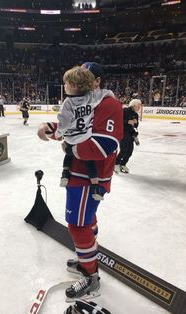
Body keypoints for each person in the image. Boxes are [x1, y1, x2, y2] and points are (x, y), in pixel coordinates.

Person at [37, 62, 123, 301]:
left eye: (87, 78)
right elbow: (73, 129)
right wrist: (51, 128)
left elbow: (103, 144)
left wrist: (69, 147)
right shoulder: (87, 101)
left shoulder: (109, 104)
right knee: (87, 219)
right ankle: (89, 257)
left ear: (97, 81)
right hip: (78, 173)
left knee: (77, 224)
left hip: (90, 177)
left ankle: (90, 277)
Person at [56, 66, 114, 201]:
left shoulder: (68, 103)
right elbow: (106, 93)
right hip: (86, 139)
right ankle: (95, 187)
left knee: (68, 154)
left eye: (66, 83)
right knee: (89, 164)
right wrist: (111, 96)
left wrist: (59, 134)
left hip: (71, 139)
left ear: (74, 85)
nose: (64, 86)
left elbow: (63, 122)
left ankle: (65, 174)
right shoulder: (91, 96)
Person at [114, 98, 141, 174]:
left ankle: (123, 164)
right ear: (133, 105)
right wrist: (128, 121)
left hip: (130, 134)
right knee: (124, 149)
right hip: (123, 132)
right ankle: (116, 164)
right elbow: (118, 120)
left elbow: (136, 125)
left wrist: (135, 123)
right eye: (138, 106)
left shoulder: (135, 114)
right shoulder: (125, 111)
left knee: (130, 151)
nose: (139, 107)